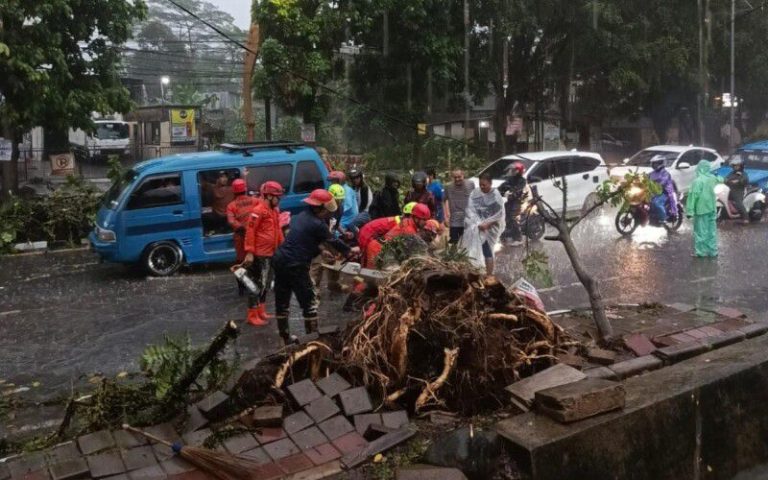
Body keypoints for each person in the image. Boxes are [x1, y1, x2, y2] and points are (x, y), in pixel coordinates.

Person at [272, 189, 360, 341]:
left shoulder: (301, 217)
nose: (328, 213)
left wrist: (321, 250)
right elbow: (333, 240)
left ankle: (284, 337)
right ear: (320, 207)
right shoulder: (318, 224)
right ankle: (313, 339)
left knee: (282, 301)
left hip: (280, 260)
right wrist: (349, 250)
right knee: (309, 302)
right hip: (296, 264)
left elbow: (304, 238)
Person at [242, 181, 285, 326]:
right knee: (256, 285)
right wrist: (249, 252)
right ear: (268, 196)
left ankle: (261, 310)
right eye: (277, 197)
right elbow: (250, 231)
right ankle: (252, 314)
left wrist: (282, 247)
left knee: (266, 284)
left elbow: (278, 231)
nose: (279, 200)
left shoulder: (274, 211)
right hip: (260, 254)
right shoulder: (258, 211)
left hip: (271, 253)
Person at [462, 173, 506, 274]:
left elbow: (499, 214)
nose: (482, 187)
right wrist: (475, 222)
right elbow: (470, 208)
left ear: (490, 183)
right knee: (473, 248)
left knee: (487, 250)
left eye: (484, 185)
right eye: (480, 184)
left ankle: (489, 275)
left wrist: (488, 223)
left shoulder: (495, 195)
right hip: (477, 226)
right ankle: (476, 271)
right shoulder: (476, 192)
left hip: (490, 229)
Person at [226, 179, 259, 296]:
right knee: (256, 260)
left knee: (240, 262)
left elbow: (231, 221)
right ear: (245, 189)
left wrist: (242, 228)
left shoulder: (231, 206)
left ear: (234, 192)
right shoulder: (256, 201)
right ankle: (256, 286)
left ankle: (242, 288)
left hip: (240, 237)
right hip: (255, 236)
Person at [686, 161, 721, 258]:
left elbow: (693, 197)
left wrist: (690, 211)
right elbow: (721, 180)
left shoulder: (697, 181)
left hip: (701, 210)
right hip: (712, 208)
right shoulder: (713, 178)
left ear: (700, 168)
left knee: (701, 232)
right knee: (711, 231)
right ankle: (713, 251)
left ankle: (700, 252)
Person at [498, 162, 530, 246]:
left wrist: (513, 193)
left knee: (513, 218)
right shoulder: (511, 179)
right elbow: (503, 186)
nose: (512, 171)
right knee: (504, 216)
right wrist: (496, 191)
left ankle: (519, 238)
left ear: (518, 171)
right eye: (512, 170)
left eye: (514, 170)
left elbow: (519, 190)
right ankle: (508, 234)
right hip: (509, 201)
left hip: (518, 201)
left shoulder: (522, 181)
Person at [443, 169, 475, 244]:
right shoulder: (448, 187)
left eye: (459, 177)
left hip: (467, 219)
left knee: (466, 242)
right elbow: (443, 200)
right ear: (452, 178)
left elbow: (475, 199)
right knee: (454, 241)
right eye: (455, 177)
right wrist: (445, 216)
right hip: (454, 219)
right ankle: (453, 254)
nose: (457, 179)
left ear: (463, 175)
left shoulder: (470, 184)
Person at [648, 155, 679, 223]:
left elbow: (663, 182)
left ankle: (663, 218)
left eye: (656, 163)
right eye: (653, 163)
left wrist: (656, 185)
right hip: (653, 192)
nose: (654, 165)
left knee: (656, 203)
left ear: (660, 163)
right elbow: (644, 179)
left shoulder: (665, 173)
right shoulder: (651, 173)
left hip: (664, 193)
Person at [725, 156, 750, 224]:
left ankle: (746, 218)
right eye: (734, 166)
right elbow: (726, 178)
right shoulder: (731, 173)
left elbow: (745, 180)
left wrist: (738, 181)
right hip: (729, 190)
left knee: (739, 203)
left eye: (737, 166)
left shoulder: (743, 174)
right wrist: (725, 180)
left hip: (738, 191)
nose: (736, 167)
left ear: (741, 166)